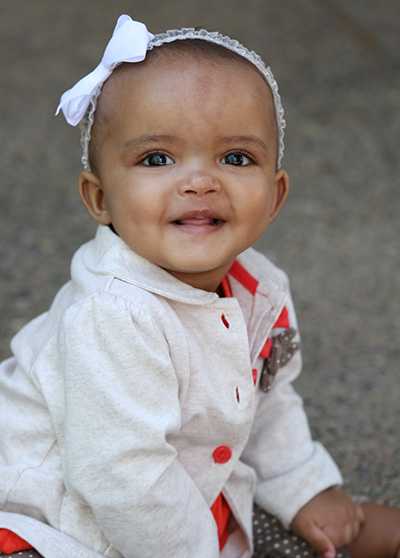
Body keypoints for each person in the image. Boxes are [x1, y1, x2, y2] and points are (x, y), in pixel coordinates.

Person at [0, 14, 399, 558]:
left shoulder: (259, 287)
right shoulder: (115, 316)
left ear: (275, 195)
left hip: (177, 495)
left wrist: (306, 485)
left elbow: (269, 399)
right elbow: (124, 479)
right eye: (156, 158)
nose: (199, 182)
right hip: (59, 512)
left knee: (348, 529)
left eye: (236, 158)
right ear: (99, 200)